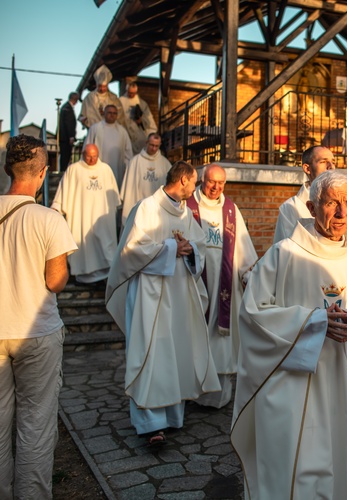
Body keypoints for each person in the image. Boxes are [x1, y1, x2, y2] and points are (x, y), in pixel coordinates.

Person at [231, 170, 347, 499]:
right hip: (293, 386)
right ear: (312, 207)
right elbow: (253, 313)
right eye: (332, 203)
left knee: (340, 453)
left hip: (343, 381)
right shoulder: (283, 254)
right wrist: (315, 324)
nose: (342, 212)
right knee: (297, 467)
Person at [105, 161, 220, 446]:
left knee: (175, 352)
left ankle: (171, 417)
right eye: (193, 183)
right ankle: (149, 423)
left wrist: (190, 248)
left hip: (179, 294)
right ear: (183, 180)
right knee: (151, 352)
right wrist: (171, 248)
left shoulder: (184, 213)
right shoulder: (146, 208)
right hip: (149, 294)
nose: (195, 190)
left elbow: (199, 244)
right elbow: (131, 250)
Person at [0, 135, 77, 499]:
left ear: (6, 170)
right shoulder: (48, 219)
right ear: (44, 173)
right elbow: (55, 280)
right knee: (35, 424)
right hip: (36, 332)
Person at [188, 164, 258, 409]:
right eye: (211, 182)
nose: (216, 187)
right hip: (195, 282)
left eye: (221, 183)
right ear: (202, 180)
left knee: (221, 337)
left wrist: (249, 273)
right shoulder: (189, 206)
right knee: (196, 333)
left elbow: (243, 244)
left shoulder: (230, 209)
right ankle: (193, 390)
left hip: (225, 285)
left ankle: (219, 395)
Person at [51, 144, 119, 284]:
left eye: (95, 156)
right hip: (80, 216)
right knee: (84, 247)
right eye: (89, 156)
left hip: (102, 217)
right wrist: (56, 206)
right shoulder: (74, 170)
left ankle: (106, 275)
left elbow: (114, 198)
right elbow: (64, 191)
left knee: (105, 244)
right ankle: (83, 276)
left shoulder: (105, 169)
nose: (92, 159)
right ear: (83, 154)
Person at [273, 144, 347, 247]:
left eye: (333, 162)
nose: (331, 167)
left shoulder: (343, 203)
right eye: (323, 162)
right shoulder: (290, 207)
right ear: (307, 168)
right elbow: (286, 250)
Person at [120, 133, 171, 223]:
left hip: (156, 208)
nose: (154, 148)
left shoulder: (165, 164)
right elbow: (128, 190)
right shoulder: (134, 162)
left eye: (156, 146)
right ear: (146, 143)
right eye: (151, 145)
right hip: (138, 204)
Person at [85, 104, 133, 188]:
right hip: (98, 165)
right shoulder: (95, 128)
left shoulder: (122, 131)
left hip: (117, 168)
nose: (112, 115)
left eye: (114, 113)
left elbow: (128, 151)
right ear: (104, 113)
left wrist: (127, 166)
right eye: (109, 112)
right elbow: (87, 147)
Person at [78, 65, 125, 129]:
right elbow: (82, 115)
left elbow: (120, 114)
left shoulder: (113, 98)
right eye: (100, 86)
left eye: (104, 86)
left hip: (110, 129)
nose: (102, 89)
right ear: (96, 85)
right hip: (94, 129)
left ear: (107, 86)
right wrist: (82, 119)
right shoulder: (89, 98)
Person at [119, 82, 157, 155]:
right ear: (126, 91)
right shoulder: (120, 101)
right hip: (126, 130)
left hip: (138, 132)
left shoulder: (142, 103)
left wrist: (141, 120)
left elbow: (148, 118)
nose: (131, 95)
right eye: (129, 92)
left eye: (133, 93)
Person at [58, 91, 79, 171]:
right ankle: (63, 171)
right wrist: (71, 136)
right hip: (66, 138)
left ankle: (63, 170)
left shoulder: (65, 107)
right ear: (75, 99)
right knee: (65, 155)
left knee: (64, 156)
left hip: (63, 137)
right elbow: (69, 123)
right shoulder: (68, 109)